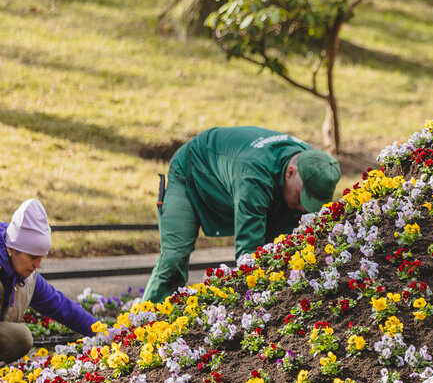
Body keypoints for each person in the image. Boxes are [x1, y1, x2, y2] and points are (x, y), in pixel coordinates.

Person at [143, 127, 341, 302]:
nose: (304, 208)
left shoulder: (316, 165)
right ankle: (143, 322)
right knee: (174, 258)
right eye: (301, 198)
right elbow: (248, 254)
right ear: (290, 172)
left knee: (281, 252)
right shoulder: (254, 176)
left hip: (243, 179)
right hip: (193, 168)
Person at [1, 199, 99, 362]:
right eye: (33, 257)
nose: (38, 265)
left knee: (19, 338)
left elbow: (60, 306)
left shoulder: (26, 276)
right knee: (20, 336)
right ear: (11, 249)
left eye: (41, 258)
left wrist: (105, 332)